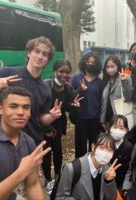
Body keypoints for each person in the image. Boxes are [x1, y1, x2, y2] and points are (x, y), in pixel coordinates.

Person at [0, 36, 62, 145]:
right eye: (37, 51)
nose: (40, 56)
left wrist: (52, 116)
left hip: (33, 143)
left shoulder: (46, 88)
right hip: (5, 143)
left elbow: (41, 119)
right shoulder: (9, 72)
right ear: (29, 53)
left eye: (45, 54)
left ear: (48, 60)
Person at [43, 60, 83, 194]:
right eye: (61, 71)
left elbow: (66, 107)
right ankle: (48, 180)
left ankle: (58, 176)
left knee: (59, 153)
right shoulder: (45, 86)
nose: (64, 75)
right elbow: (38, 110)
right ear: (55, 71)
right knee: (47, 155)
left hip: (58, 126)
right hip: (44, 126)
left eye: (67, 72)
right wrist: (46, 129)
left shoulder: (68, 88)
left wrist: (74, 106)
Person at [55, 134, 120, 200]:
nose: (105, 153)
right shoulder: (72, 168)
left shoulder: (108, 168)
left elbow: (112, 198)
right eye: (102, 147)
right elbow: (60, 197)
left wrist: (108, 182)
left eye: (109, 150)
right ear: (93, 147)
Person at [71, 52, 103, 158]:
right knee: (80, 145)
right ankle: (79, 167)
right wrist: (81, 90)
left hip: (95, 118)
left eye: (93, 63)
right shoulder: (76, 79)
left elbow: (102, 100)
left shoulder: (100, 82)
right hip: (81, 118)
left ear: (97, 65)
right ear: (84, 63)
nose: (90, 64)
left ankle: (92, 165)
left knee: (94, 145)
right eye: (88, 62)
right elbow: (72, 97)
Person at [100, 55, 133, 130]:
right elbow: (103, 101)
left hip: (120, 116)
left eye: (112, 66)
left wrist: (124, 81)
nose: (110, 69)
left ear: (118, 65)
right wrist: (102, 120)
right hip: (107, 117)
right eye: (108, 67)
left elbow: (128, 97)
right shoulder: (105, 79)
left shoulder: (126, 76)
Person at [108, 115, 133, 194]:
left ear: (127, 130)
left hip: (117, 183)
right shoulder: (103, 143)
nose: (117, 130)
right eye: (115, 127)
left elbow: (124, 171)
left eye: (121, 128)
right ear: (109, 128)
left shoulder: (128, 147)